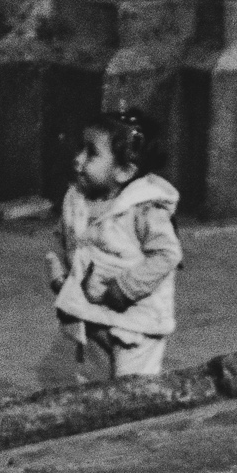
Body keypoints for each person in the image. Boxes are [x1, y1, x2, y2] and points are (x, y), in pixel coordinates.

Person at [46, 109, 183, 381]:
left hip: (136, 325)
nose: (78, 159)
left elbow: (167, 255)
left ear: (124, 171)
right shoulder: (78, 198)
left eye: (91, 153)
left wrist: (124, 288)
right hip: (93, 317)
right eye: (80, 148)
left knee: (133, 391)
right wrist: (64, 279)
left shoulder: (143, 210)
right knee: (96, 389)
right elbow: (71, 241)